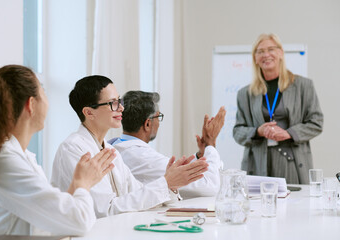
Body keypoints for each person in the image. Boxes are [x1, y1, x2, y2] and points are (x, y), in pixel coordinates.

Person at [0, 65, 115, 238]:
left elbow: (52, 216)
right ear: (31, 104)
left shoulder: (21, 156)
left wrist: (76, 184)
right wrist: (83, 184)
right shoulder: (5, 160)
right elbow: (78, 222)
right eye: (43, 92)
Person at [51, 75, 209, 217]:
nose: (121, 108)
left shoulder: (111, 151)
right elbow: (105, 210)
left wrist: (171, 185)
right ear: (89, 112)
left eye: (119, 101)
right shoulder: (74, 149)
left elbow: (137, 193)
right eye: (113, 103)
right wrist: (166, 182)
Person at [233, 33, 323, 184]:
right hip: (258, 164)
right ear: (255, 58)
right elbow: (237, 132)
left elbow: (316, 123)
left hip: (293, 163)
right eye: (260, 51)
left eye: (271, 49)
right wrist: (257, 131)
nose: (266, 55)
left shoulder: (303, 86)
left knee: (294, 205)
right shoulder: (245, 94)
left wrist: (288, 133)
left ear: (280, 53)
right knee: (259, 205)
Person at [111, 91, 226, 198]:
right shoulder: (143, 157)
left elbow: (180, 172)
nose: (159, 124)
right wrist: (210, 144)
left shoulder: (117, 146)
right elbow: (209, 187)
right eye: (158, 117)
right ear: (147, 124)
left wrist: (201, 155)